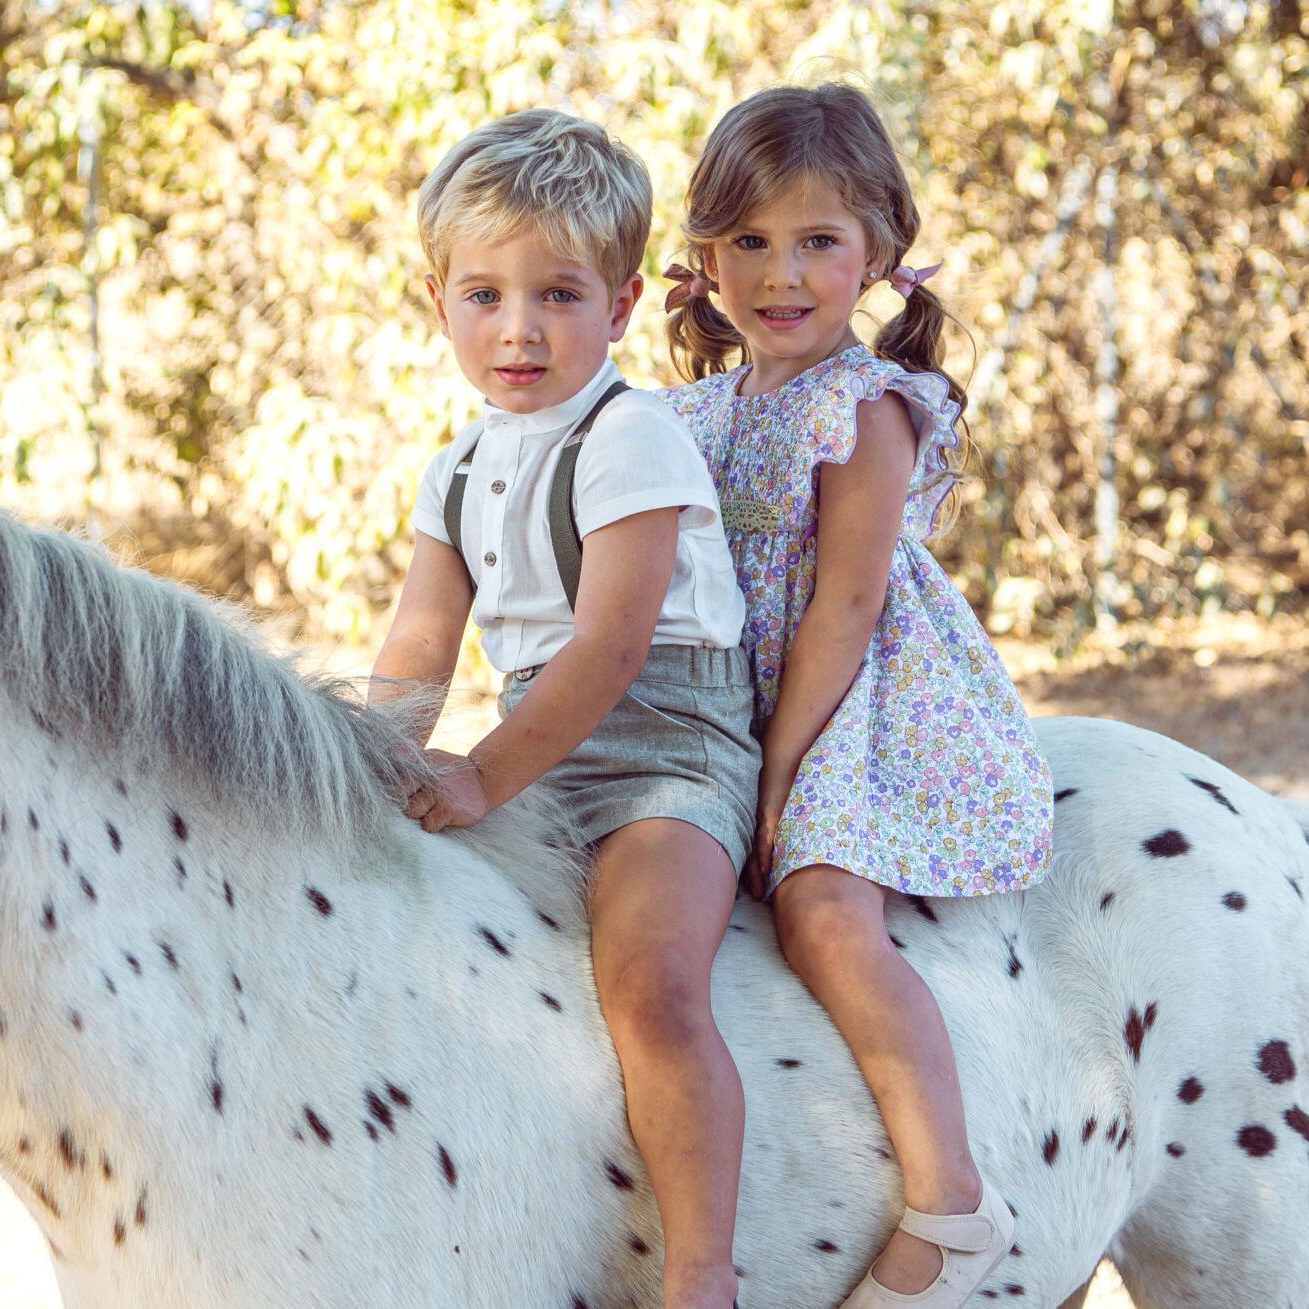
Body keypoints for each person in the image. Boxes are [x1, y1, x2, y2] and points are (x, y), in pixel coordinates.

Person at [661, 83, 1054, 1309]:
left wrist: (777, 778)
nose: (781, 274)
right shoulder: (691, 412)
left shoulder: (868, 406)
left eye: (818, 241)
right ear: (706, 255)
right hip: (725, 689)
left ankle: (952, 1203)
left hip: (852, 697)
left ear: (877, 252)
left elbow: (843, 605)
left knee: (824, 908)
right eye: (751, 242)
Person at [369, 109, 758, 1309]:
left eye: (558, 294)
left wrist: (480, 773)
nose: (519, 329)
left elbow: (611, 644)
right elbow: (424, 638)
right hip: (540, 747)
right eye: (483, 296)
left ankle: (700, 1271)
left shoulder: (630, 437)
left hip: (662, 752)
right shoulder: (458, 466)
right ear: (439, 301)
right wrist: (375, 758)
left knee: (650, 981)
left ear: (625, 304)